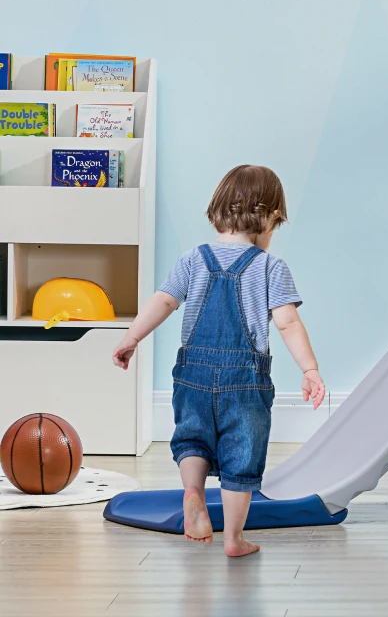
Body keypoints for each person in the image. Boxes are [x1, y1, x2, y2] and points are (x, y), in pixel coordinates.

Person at [112, 164, 325, 557]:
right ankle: (234, 539)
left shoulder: (193, 258)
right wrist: (309, 369)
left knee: (192, 439)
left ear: (218, 211)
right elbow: (288, 322)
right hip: (244, 383)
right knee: (241, 457)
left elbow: (163, 301)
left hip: (192, 375)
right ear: (270, 218)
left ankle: (193, 492)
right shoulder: (270, 267)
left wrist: (132, 337)